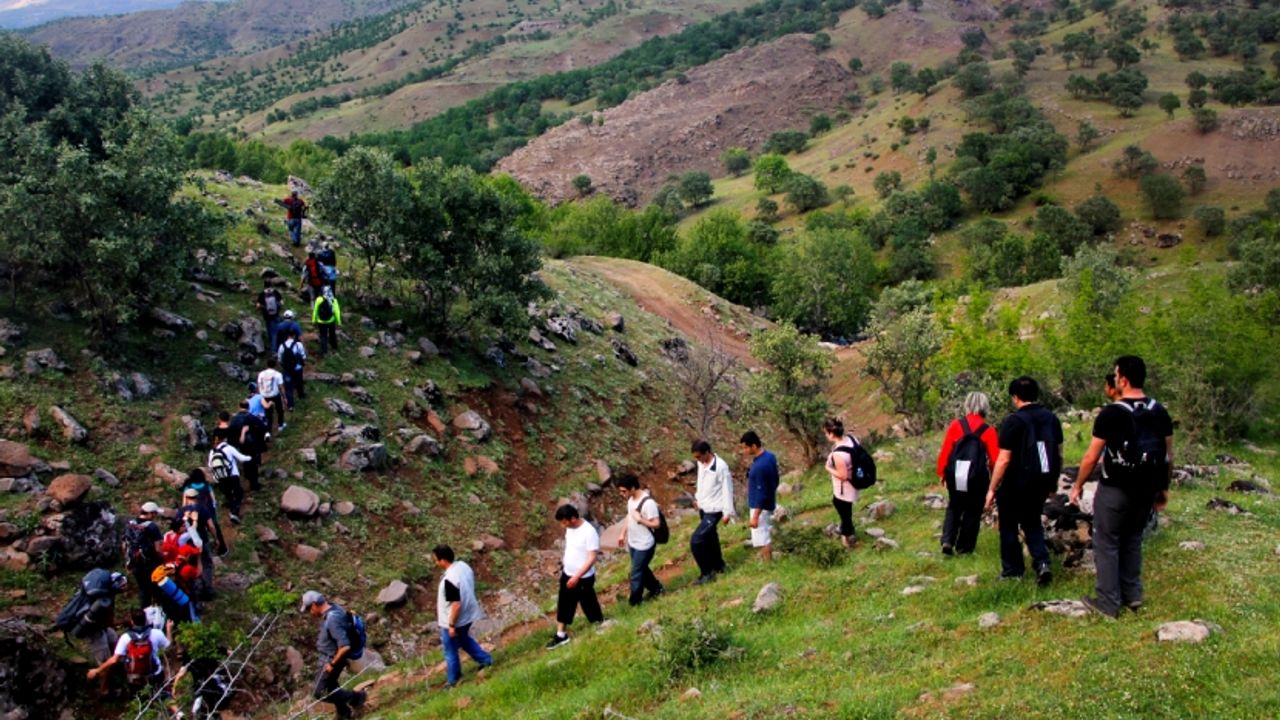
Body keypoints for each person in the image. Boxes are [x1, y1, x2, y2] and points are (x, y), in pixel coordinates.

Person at [1070, 356, 1174, 618]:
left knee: (1106, 541)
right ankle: (1133, 594)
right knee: (1133, 538)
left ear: (1124, 380)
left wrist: (1078, 484)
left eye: (1116, 374)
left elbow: (1091, 457)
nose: (1114, 378)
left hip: (1116, 487)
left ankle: (1108, 601)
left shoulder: (1111, 413)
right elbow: (1168, 455)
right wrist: (1163, 488)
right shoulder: (1159, 411)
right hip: (1147, 487)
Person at [984, 377, 1062, 586]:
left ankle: (1012, 571)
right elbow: (1058, 452)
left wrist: (992, 488)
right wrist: (1053, 481)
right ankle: (1042, 562)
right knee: (1033, 522)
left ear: (1015, 397)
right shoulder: (1051, 419)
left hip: (1016, 482)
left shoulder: (1013, 421)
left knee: (1009, 526)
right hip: (1041, 481)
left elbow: (1004, 459)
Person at [935, 392, 1000, 556]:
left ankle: (947, 540)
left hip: (955, 474)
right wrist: (994, 481)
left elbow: (946, 451)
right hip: (977, 477)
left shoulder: (956, 425)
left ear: (967, 405)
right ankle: (964, 548)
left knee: (954, 506)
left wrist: (942, 472)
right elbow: (995, 459)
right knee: (973, 509)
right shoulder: (989, 430)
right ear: (985, 407)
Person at [432, 545, 493, 687]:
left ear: (443, 560)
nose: (435, 563)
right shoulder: (463, 566)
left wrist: (451, 625)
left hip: (455, 620)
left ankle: (453, 678)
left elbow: (456, 604)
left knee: (450, 650)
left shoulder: (449, 580)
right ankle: (486, 660)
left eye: (436, 560)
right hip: (468, 613)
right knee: (464, 640)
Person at [301, 591, 367, 719]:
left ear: (314, 605)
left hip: (331, 659)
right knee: (331, 685)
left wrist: (332, 664)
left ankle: (356, 698)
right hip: (330, 657)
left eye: (309, 609)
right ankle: (343, 713)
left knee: (319, 692)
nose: (310, 612)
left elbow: (345, 646)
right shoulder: (335, 608)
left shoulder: (332, 619)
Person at [86, 608, 173, 705]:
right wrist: (169, 629)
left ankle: (139, 707)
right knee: (161, 695)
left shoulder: (125, 637)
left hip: (136, 679)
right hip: (156, 675)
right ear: (146, 620)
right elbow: (168, 647)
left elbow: (114, 659)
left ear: (132, 621)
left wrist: (97, 670)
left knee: (139, 701)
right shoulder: (157, 633)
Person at [56, 569, 128, 682]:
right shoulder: (103, 601)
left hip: (101, 627)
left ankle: (118, 669)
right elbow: (109, 621)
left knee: (114, 640)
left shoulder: (104, 595)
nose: (124, 588)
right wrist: (124, 622)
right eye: (122, 586)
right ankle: (104, 689)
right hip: (94, 632)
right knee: (104, 664)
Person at [546, 504, 602, 649]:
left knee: (588, 602)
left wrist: (577, 576)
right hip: (568, 573)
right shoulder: (570, 528)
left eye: (564, 522)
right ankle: (561, 635)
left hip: (582, 577)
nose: (562, 525)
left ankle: (599, 624)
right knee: (564, 603)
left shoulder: (589, 532)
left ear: (573, 518)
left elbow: (592, 558)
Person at [690, 439, 736, 584]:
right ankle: (719, 565)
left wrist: (727, 512)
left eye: (699, 456)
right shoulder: (701, 463)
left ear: (707, 452)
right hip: (704, 507)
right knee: (710, 537)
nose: (697, 460)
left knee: (696, 541)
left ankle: (707, 573)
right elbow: (701, 483)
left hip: (715, 509)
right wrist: (698, 499)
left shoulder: (721, 467)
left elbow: (727, 490)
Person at [615, 474, 663, 606]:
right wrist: (622, 533)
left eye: (623, 491)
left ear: (632, 488)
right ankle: (656, 588)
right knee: (642, 569)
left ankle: (635, 602)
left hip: (645, 544)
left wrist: (640, 519)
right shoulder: (631, 499)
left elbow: (656, 524)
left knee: (635, 573)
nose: (621, 494)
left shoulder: (648, 503)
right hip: (633, 543)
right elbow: (629, 516)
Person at [740, 431, 779, 563]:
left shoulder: (760, 467)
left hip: (759, 506)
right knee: (765, 533)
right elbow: (776, 479)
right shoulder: (770, 456)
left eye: (746, 447)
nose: (744, 451)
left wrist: (755, 516)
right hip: (769, 501)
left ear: (754, 446)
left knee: (763, 538)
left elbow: (761, 492)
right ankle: (767, 561)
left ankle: (768, 564)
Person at [822, 418, 861, 548]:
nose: (825, 435)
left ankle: (847, 537)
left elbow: (843, 476)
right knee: (845, 509)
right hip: (855, 480)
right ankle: (847, 531)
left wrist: (828, 468)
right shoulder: (852, 439)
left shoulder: (838, 454)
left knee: (842, 509)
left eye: (826, 433)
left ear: (832, 434)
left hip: (844, 489)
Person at [179, 486, 219, 597]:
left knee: (191, 565)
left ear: (186, 497)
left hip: (188, 543)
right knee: (206, 564)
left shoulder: (181, 511)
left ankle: (195, 591)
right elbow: (211, 526)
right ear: (196, 497)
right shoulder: (202, 509)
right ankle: (207, 590)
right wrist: (216, 538)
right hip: (202, 540)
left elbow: (178, 527)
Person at [123, 501, 165, 607]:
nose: (155, 516)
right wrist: (163, 560)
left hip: (135, 564)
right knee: (157, 589)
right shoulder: (152, 527)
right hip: (150, 564)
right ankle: (160, 611)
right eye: (155, 513)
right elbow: (158, 549)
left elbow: (125, 544)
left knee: (143, 591)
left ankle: (145, 612)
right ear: (150, 513)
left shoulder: (130, 524)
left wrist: (128, 562)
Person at [209, 429, 251, 524]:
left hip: (220, 478)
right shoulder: (228, 448)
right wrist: (250, 458)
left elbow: (210, 465)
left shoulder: (212, 452)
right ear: (225, 438)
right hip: (233, 475)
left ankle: (232, 510)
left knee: (229, 495)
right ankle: (234, 512)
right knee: (238, 493)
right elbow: (242, 458)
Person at [228, 401, 267, 492]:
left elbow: (230, 433)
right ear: (248, 407)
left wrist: (234, 444)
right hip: (252, 445)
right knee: (253, 464)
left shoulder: (234, 420)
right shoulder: (252, 418)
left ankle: (247, 477)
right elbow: (263, 428)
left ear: (239, 407)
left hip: (240, 446)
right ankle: (254, 484)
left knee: (245, 462)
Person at [278, 327, 308, 411]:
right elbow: (303, 356)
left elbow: (279, 359)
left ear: (287, 336)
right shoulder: (298, 344)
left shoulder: (282, 346)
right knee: (299, 382)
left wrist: (284, 365)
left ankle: (290, 405)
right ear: (294, 335)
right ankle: (301, 396)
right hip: (297, 368)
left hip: (287, 369)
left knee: (288, 387)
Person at [257, 357, 287, 434]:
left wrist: (260, 395)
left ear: (267, 365)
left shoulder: (261, 374)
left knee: (268, 413)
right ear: (275, 365)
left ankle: (268, 431)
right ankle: (280, 425)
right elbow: (281, 386)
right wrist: (284, 397)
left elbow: (259, 385)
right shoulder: (278, 374)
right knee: (279, 410)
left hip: (264, 395)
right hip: (275, 395)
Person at [312, 286, 342, 357]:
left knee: (323, 336)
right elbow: (337, 312)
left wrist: (314, 320)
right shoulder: (333, 300)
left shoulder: (319, 299)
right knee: (332, 334)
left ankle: (323, 351)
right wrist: (338, 322)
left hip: (321, 321)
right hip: (331, 321)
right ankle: (334, 347)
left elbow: (315, 310)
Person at [256, 280, 284, 353]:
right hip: (276, 315)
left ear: (264, 285)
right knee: (275, 332)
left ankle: (273, 349)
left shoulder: (262, 294)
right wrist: (278, 307)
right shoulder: (275, 292)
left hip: (267, 316)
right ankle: (275, 349)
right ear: (271, 285)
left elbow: (258, 306)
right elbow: (282, 303)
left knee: (270, 332)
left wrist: (263, 308)